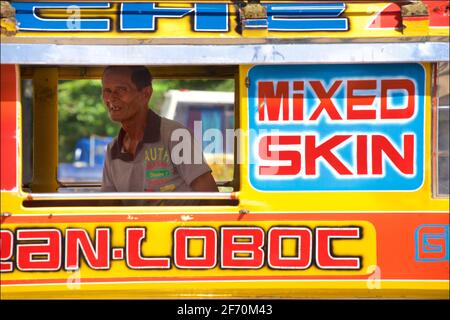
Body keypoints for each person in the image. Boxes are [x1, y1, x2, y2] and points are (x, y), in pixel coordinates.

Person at [101, 66, 218, 205]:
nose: (112, 98)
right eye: (107, 91)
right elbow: (108, 205)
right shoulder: (113, 149)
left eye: (121, 90)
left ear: (145, 94)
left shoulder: (176, 136)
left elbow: (212, 198)